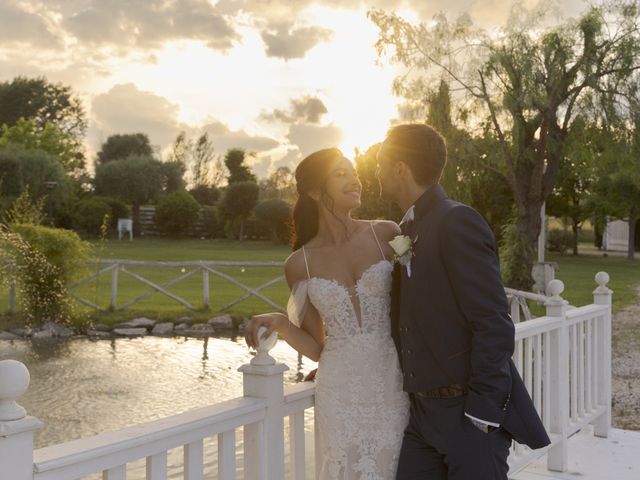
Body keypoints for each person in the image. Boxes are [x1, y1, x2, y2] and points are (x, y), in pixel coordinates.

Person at [376, 124, 550, 480]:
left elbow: (492, 321)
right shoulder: (407, 229)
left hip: (466, 416)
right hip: (421, 415)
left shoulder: (456, 220)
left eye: (380, 163)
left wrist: (482, 414)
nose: (375, 171)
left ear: (399, 168)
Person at [245, 147, 409, 479]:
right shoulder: (298, 264)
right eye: (342, 173)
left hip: (393, 380)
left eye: (355, 172)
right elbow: (318, 346)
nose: (356, 179)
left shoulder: (387, 234)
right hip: (340, 389)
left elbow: (422, 295)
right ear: (315, 191)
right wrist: (281, 323)